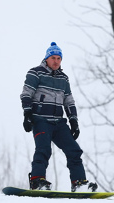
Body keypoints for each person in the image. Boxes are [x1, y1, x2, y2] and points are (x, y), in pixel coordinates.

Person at [20, 42, 97, 192]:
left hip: (58, 123)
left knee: (74, 150)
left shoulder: (64, 78)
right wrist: (27, 114)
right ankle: (37, 181)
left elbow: (68, 100)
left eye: (59, 58)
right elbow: (26, 93)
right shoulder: (35, 73)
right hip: (40, 119)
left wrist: (73, 121)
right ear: (47, 58)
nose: (56, 61)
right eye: (53, 58)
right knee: (43, 149)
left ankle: (79, 183)